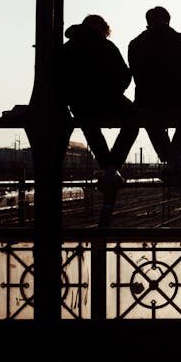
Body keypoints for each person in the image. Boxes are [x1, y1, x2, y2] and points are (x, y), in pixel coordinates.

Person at [60, 14, 139, 225]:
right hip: (109, 100)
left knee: (90, 128)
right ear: (102, 29)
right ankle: (112, 167)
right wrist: (113, 92)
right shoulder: (106, 46)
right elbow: (125, 75)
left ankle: (107, 167)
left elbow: (59, 79)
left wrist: (73, 99)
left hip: (81, 105)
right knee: (133, 121)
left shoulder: (67, 48)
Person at [128, 6, 181, 186]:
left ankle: (168, 158)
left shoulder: (135, 44)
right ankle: (173, 160)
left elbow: (136, 75)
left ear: (148, 21)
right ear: (169, 20)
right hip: (179, 99)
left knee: (150, 118)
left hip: (147, 100)